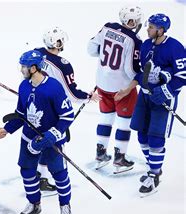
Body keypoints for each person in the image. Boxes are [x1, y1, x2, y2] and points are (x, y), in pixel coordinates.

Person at [0, 50, 74, 214]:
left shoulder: (54, 87)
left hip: (51, 138)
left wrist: (53, 135)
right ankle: (34, 204)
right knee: (27, 171)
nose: (21, 70)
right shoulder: (23, 86)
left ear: (33, 68)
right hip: (29, 137)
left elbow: (68, 115)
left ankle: (65, 205)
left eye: (23, 66)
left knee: (59, 173)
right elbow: (21, 114)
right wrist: (7, 129)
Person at [115, 13, 185, 196]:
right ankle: (153, 168)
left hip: (163, 99)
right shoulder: (146, 45)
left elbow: (182, 76)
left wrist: (165, 91)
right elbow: (141, 73)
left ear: (161, 30)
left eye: (152, 27)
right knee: (142, 136)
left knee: (155, 139)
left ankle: (154, 174)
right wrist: (127, 90)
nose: (148, 29)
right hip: (144, 97)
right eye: (149, 26)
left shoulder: (175, 47)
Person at [36, 27, 99, 193]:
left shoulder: (34, 54)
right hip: (54, 111)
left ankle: (41, 178)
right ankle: (59, 178)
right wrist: (88, 96)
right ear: (58, 43)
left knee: (42, 140)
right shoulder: (63, 65)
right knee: (57, 143)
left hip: (34, 107)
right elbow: (72, 94)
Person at [87, 6, 143, 173]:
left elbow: (91, 49)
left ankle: (100, 154)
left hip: (102, 84)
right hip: (122, 89)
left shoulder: (107, 27)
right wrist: (140, 75)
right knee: (124, 123)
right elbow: (129, 69)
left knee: (105, 119)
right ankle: (120, 159)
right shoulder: (134, 39)